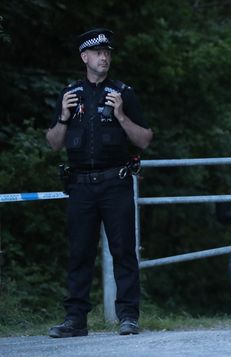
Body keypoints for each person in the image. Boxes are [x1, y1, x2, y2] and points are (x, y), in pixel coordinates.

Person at [46, 28, 153, 337]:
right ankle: (75, 319)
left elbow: (144, 139)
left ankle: (128, 316)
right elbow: (53, 143)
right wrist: (64, 118)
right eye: (97, 52)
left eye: (107, 52)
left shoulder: (123, 92)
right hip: (80, 185)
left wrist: (120, 115)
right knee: (79, 252)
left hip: (115, 182)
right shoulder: (70, 93)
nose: (104, 56)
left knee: (123, 251)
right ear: (85, 57)